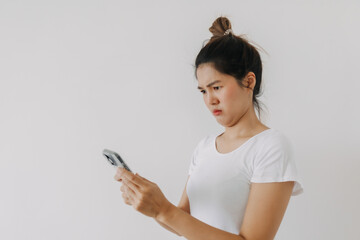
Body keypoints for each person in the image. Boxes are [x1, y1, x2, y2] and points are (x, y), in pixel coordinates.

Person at [114, 16, 304, 240]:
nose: (210, 99)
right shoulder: (205, 147)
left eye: (216, 87)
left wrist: (163, 209)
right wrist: (149, 203)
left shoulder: (271, 147)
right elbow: (181, 219)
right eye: (203, 91)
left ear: (249, 81)